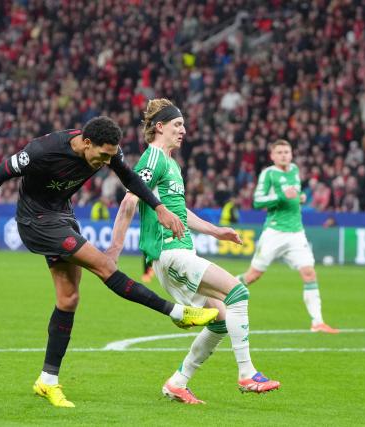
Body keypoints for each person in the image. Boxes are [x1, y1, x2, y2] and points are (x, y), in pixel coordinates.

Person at [0, 116, 219, 408]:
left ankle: (47, 381)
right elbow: (0, 172)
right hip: (35, 221)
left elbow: (129, 178)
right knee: (105, 266)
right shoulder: (43, 150)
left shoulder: (109, 151)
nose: (106, 161)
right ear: (86, 143)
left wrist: (158, 208)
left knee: (68, 299)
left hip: (62, 216)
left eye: (111, 155)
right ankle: (178, 313)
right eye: (103, 155)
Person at [108, 99, 280, 404]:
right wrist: (113, 253)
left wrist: (216, 231)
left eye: (183, 125)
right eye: (177, 125)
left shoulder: (171, 164)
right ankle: (247, 373)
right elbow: (128, 203)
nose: (183, 130)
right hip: (170, 253)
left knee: (220, 318)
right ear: (159, 127)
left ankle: (178, 381)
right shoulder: (153, 159)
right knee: (238, 293)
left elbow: (180, 211)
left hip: (179, 251)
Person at [236, 139, 339, 334]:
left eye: (287, 152)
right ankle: (220, 291)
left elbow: (293, 195)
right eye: (280, 152)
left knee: (309, 273)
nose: (284, 155)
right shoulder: (268, 174)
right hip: (274, 231)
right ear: (272, 156)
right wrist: (283, 197)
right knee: (253, 276)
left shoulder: (294, 170)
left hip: (296, 233)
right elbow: (258, 201)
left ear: (291, 154)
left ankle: (317, 322)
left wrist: (300, 198)